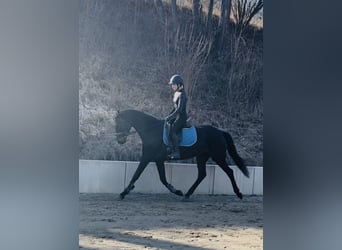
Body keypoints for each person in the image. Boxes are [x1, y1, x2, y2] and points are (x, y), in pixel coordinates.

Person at [165, 74, 188, 159]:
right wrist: (167, 117)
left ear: (179, 85)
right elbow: (174, 108)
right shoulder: (176, 93)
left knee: (173, 130)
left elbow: (179, 109)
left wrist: (170, 117)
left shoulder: (183, 95)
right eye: (172, 84)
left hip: (181, 117)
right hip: (176, 116)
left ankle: (176, 152)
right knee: (166, 126)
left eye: (173, 84)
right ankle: (169, 148)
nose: (172, 86)